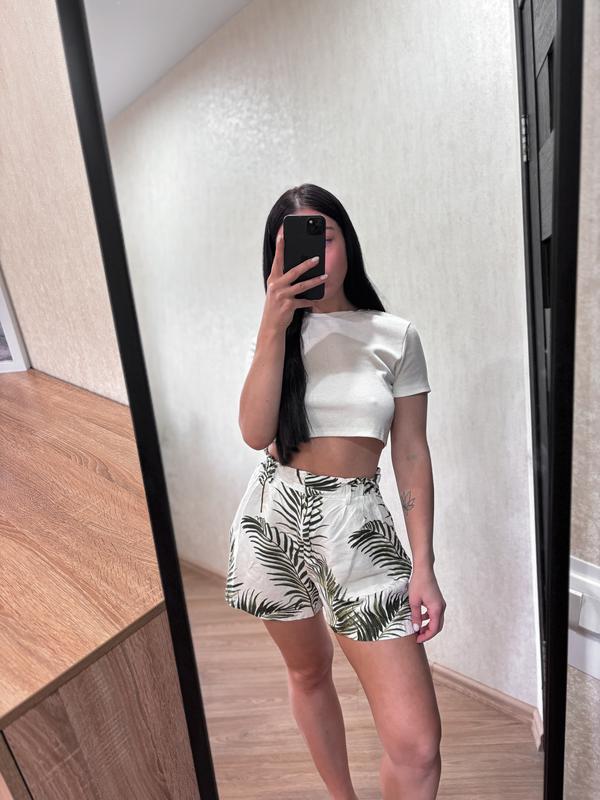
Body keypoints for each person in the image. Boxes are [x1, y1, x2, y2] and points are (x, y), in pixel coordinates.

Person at [225, 183, 445, 800]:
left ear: (347, 240)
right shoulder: (274, 335)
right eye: (292, 242)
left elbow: (411, 453)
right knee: (307, 672)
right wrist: (273, 324)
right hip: (272, 518)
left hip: (358, 525)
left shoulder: (394, 336)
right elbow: (255, 434)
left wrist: (423, 565)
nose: (313, 252)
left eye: (323, 234)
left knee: (417, 746)